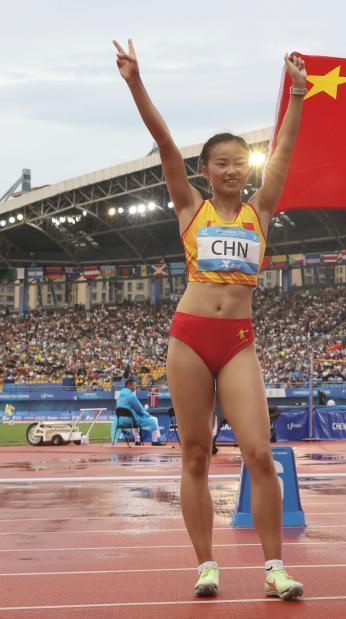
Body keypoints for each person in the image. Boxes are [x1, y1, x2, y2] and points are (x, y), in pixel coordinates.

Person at [114, 39, 306, 599]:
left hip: (239, 340)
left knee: (259, 453)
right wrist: (135, 83)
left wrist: (297, 94)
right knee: (194, 453)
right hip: (191, 336)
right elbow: (165, 142)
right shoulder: (189, 207)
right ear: (206, 170)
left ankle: (275, 568)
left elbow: (287, 151)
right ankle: (206, 563)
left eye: (239, 163)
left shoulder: (260, 210)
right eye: (221, 163)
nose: (231, 170)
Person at [116, 378, 165, 446]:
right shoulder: (131, 395)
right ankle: (154, 441)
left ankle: (137, 440)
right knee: (154, 419)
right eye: (134, 385)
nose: (135, 387)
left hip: (121, 420)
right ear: (129, 385)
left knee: (133, 418)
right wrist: (147, 414)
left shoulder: (120, 395)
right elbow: (139, 409)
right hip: (130, 419)